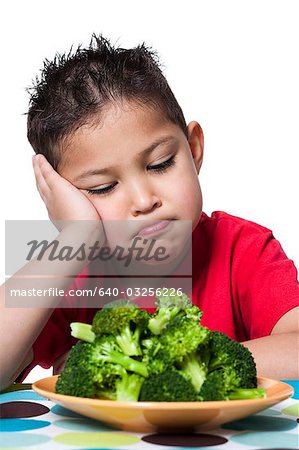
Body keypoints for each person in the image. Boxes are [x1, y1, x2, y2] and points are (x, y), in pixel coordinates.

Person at [1, 35, 298, 390]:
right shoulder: (77, 277)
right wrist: (76, 237)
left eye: (160, 164)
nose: (144, 200)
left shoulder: (243, 249)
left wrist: (149, 363)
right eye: (102, 187)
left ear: (193, 149)